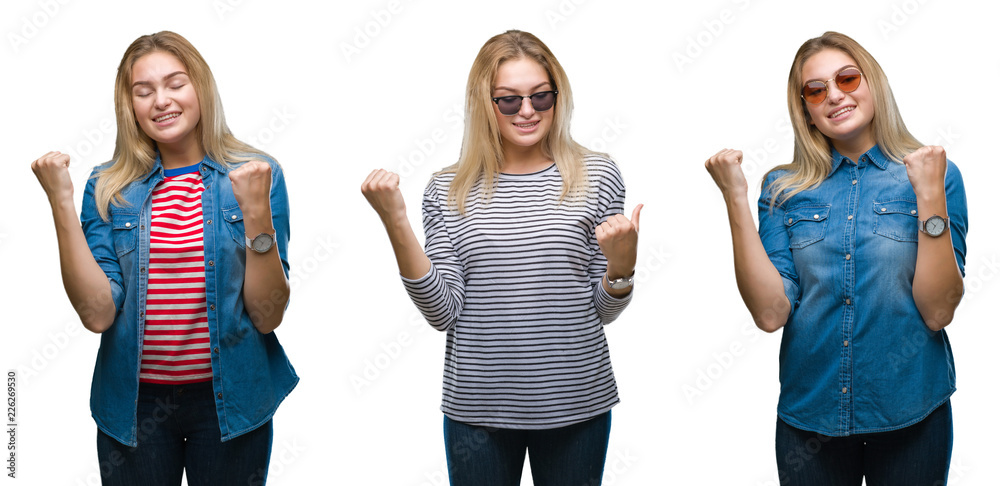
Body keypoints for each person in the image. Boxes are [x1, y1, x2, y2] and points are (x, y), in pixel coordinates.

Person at [362, 30, 641, 485]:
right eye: (509, 100)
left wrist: (622, 265)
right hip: (478, 409)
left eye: (540, 97)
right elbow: (443, 312)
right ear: (484, 105)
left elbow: (602, 310)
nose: (528, 111)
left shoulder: (598, 174)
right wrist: (396, 221)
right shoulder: (447, 189)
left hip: (576, 402)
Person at [30, 31, 297, 485]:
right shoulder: (109, 187)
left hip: (232, 398)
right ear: (129, 105)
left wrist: (257, 215)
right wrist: (60, 201)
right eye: (144, 90)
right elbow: (97, 314)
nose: (161, 100)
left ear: (200, 88)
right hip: (135, 407)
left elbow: (268, 314)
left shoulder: (256, 173)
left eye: (175, 83)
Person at [705, 31, 967, 485]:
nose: (835, 95)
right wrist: (735, 198)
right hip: (811, 420)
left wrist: (928, 196)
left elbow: (938, 308)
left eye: (847, 78)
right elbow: (770, 314)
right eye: (816, 89)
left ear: (872, 85)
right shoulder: (783, 189)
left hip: (911, 410)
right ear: (805, 110)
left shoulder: (934, 174)